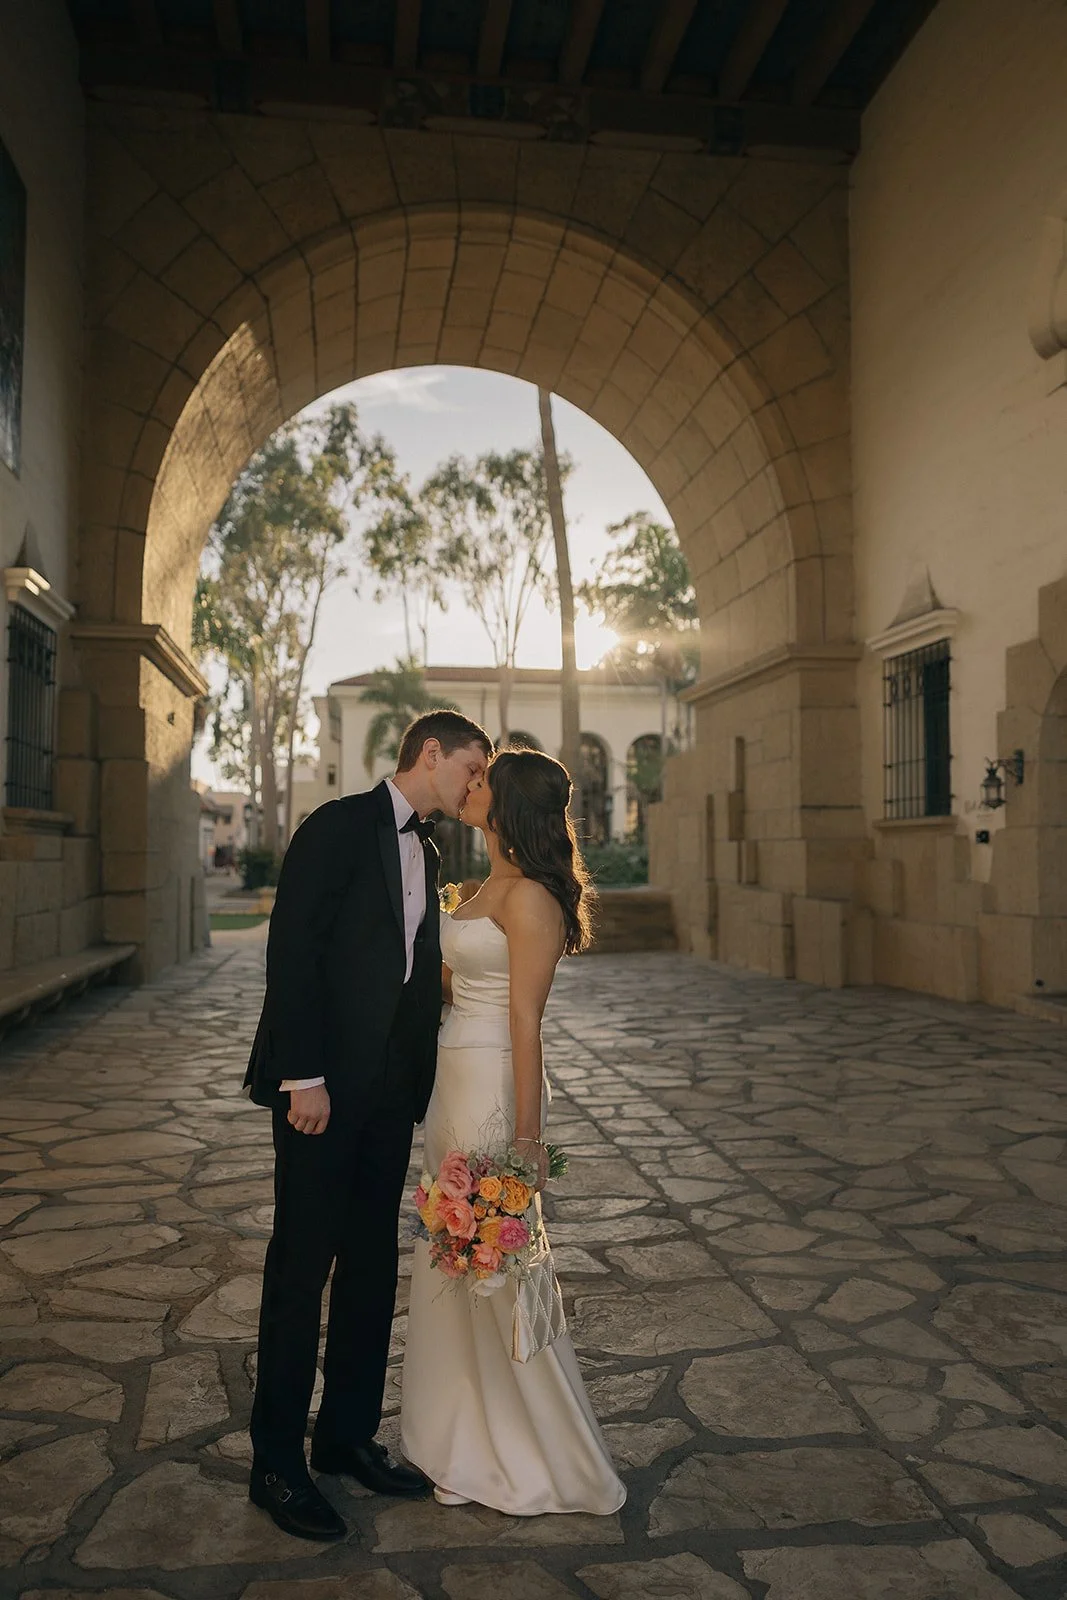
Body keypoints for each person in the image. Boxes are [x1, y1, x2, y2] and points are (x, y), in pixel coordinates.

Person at [244, 710, 492, 1541]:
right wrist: (301, 1074)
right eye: (471, 768)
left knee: (369, 1271)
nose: (474, 786)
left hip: (390, 1096)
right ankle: (274, 1461)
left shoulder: (427, 847)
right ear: (433, 754)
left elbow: (409, 968)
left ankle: (344, 1438)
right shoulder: (337, 826)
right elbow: (294, 952)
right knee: (301, 1269)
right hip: (321, 1093)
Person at [401, 749, 626, 1517]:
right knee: (455, 1264)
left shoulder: (528, 898)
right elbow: (449, 982)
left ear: (507, 808)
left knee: (503, 1274)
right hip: (448, 1085)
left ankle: (545, 1455)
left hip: (493, 1090)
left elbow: (525, 1022)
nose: (468, 786)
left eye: (482, 782)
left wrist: (526, 1140)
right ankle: (463, 1440)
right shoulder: (481, 887)